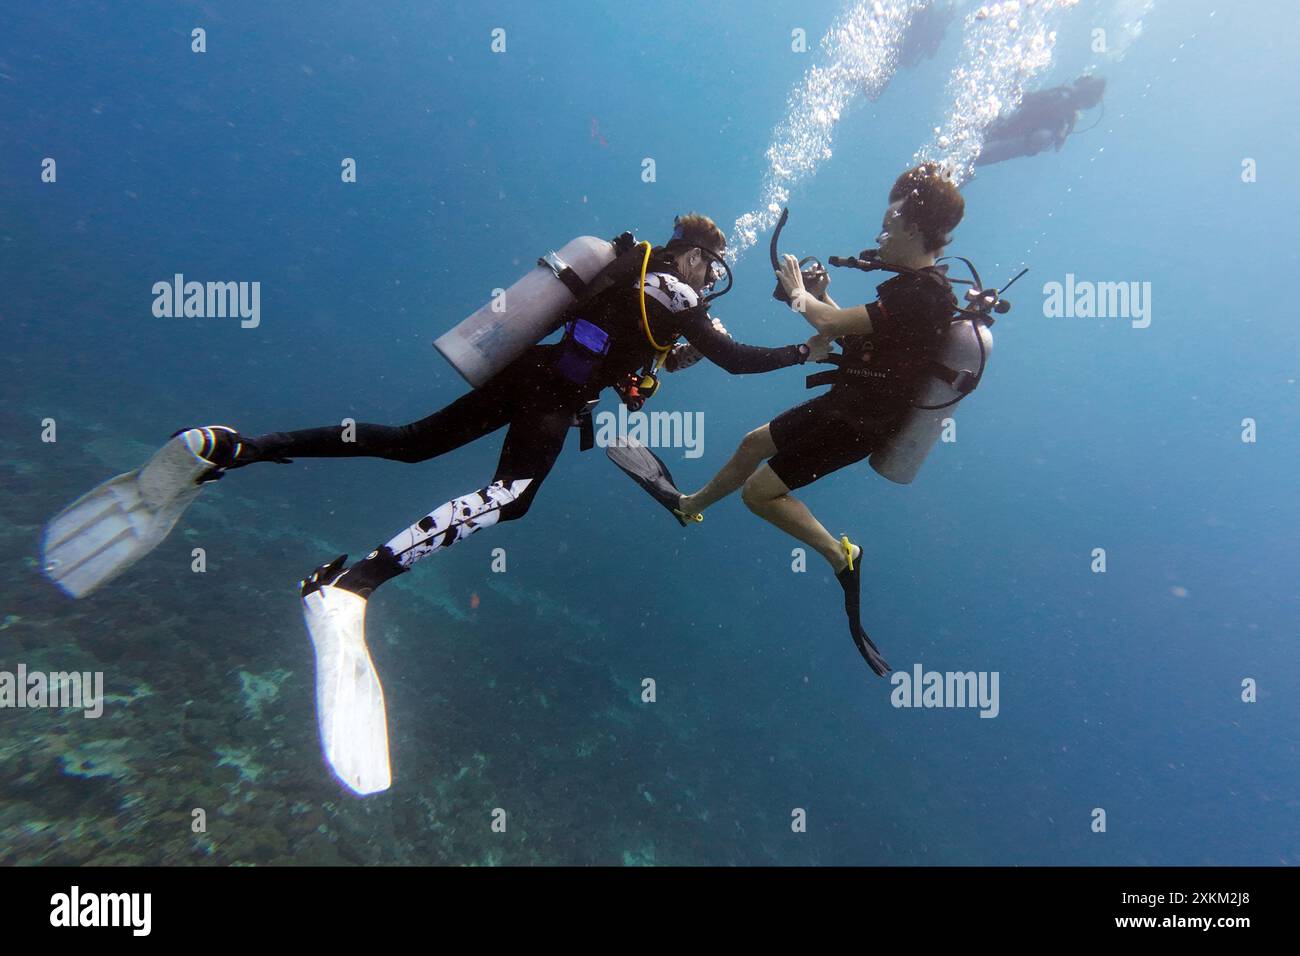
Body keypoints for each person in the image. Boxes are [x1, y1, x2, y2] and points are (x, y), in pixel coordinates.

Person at [41, 213, 824, 793]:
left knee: (408, 440)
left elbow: (640, 349)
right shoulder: (676, 288)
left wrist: (654, 361)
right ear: (696, 254)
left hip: (534, 372)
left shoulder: (629, 266)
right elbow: (735, 359)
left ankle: (235, 450)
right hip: (555, 392)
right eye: (710, 266)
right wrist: (806, 344)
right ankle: (353, 586)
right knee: (510, 499)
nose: (708, 278)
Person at [607, 165, 968, 679]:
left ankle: (841, 554)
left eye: (889, 224)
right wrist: (815, 301)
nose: (879, 234)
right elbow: (857, 339)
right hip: (848, 402)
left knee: (759, 495)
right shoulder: (912, 290)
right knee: (754, 443)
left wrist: (805, 296)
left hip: (860, 422)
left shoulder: (925, 293)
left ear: (914, 228)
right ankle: (688, 507)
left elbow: (830, 325)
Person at [975, 74, 1107, 167]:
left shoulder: (1064, 115)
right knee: (980, 144)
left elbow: (1026, 98)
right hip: (1013, 131)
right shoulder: (1061, 105)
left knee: (979, 149)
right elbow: (1026, 98)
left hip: (1017, 136)